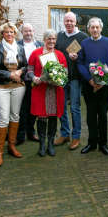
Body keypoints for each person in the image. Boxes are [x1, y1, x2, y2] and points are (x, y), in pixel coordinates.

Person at [0, 22, 27, 166]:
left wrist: (20, 71)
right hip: (1, 86)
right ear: (2, 34)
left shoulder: (20, 48)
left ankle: (11, 146)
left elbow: (25, 65)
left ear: (15, 33)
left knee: (15, 115)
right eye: (6, 32)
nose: (9, 34)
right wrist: (10, 74)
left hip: (18, 86)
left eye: (12, 32)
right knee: (3, 118)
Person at [77, 17, 108, 155]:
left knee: (103, 115)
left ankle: (103, 144)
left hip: (105, 87)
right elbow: (80, 63)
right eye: (92, 27)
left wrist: (104, 80)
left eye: (97, 27)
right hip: (89, 86)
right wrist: (90, 80)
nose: (94, 29)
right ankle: (91, 143)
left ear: (101, 28)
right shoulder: (84, 43)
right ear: (88, 29)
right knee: (90, 115)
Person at [27, 29, 67, 157]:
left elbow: (65, 72)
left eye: (54, 39)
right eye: (49, 38)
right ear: (44, 40)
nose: (51, 41)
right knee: (41, 117)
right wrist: (34, 78)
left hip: (55, 91)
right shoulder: (36, 53)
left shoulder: (60, 54)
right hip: (40, 89)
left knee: (53, 116)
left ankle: (50, 143)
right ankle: (42, 145)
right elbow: (29, 70)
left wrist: (60, 79)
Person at [54, 12, 87, 150]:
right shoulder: (59, 36)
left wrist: (77, 58)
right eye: (66, 21)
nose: (69, 23)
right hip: (61, 77)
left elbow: (86, 57)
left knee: (74, 108)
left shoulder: (82, 37)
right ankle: (65, 133)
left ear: (75, 22)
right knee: (61, 107)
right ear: (63, 22)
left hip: (75, 78)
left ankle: (76, 136)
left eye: (71, 21)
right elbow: (55, 53)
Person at [17, 23, 43, 145]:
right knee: (23, 108)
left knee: (34, 108)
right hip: (22, 81)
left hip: (36, 81)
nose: (28, 33)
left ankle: (31, 132)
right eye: (26, 31)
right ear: (22, 32)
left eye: (30, 31)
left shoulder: (40, 45)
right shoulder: (17, 46)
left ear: (34, 31)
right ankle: (20, 134)